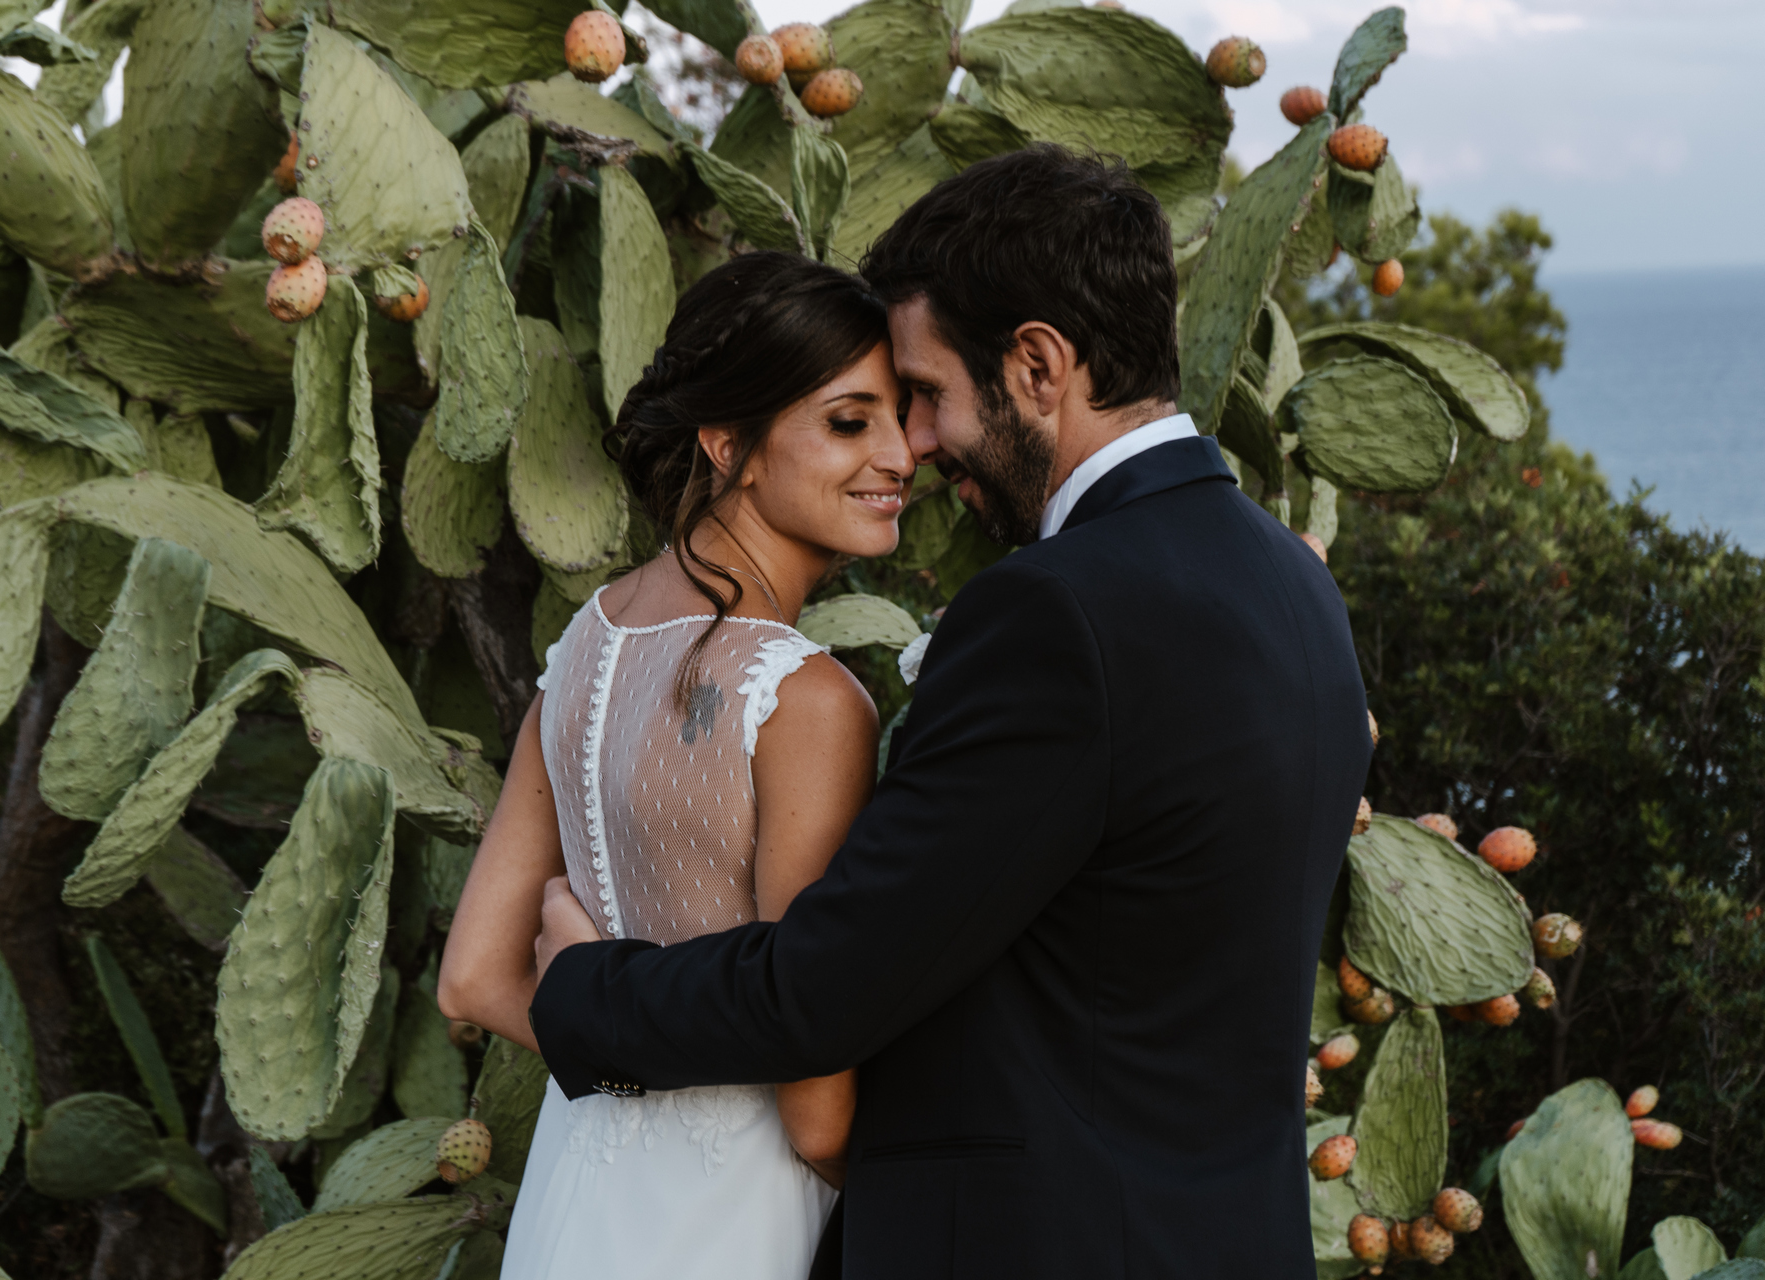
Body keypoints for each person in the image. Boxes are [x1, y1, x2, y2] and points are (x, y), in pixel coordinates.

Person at [527, 146, 1374, 1279]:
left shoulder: (1061, 613)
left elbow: (828, 982)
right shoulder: (1294, 582)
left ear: (1036, 364)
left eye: (926, 394)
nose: (915, 445)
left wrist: (585, 988)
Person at [438, 251, 915, 1280]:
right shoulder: (807, 701)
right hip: (728, 1227)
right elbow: (821, 1110)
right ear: (728, 440)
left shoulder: (583, 645)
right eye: (850, 419)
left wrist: (625, 1063)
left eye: (904, 414)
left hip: (570, 1208)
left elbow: (474, 977)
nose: (901, 454)